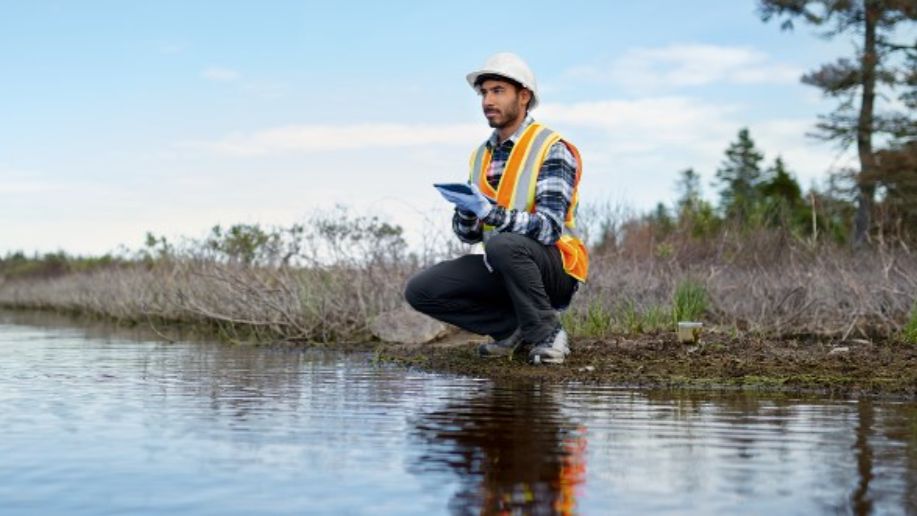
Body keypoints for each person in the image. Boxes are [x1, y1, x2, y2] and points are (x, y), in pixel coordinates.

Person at [404, 52, 589, 365]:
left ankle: (548, 334)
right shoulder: (480, 156)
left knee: (504, 244)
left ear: (524, 96)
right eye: (484, 92)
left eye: (498, 91)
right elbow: (467, 235)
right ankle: (511, 328)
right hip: (502, 264)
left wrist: (490, 213)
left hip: (555, 269)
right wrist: (467, 210)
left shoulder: (552, 148)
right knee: (422, 289)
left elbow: (548, 227)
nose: (488, 100)